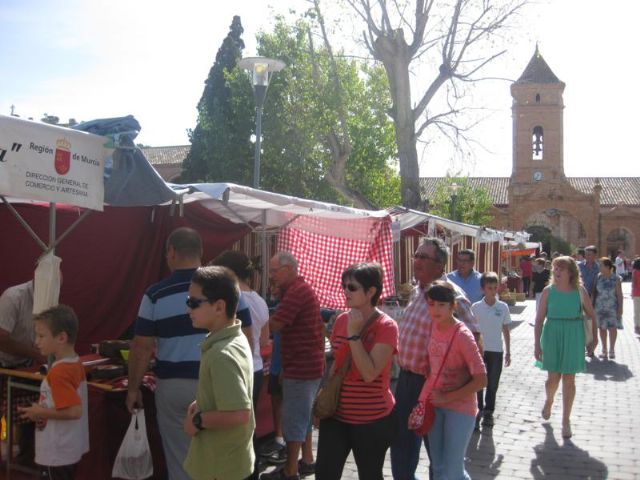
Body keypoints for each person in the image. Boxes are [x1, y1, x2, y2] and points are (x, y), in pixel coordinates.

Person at [391, 237, 480, 480]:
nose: (416, 261)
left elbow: (473, 337)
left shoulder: (452, 297)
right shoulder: (417, 291)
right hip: (407, 381)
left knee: (438, 459)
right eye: (416, 256)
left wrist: (457, 383)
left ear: (440, 265)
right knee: (401, 448)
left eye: (423, 257)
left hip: (434, 385)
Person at [126, 227, 205, 480]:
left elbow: (141, 347)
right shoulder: (225, 287)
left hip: (173, 386)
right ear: (200, 252)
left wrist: (133, 389)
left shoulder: (155, 294)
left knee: (180, 459)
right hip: (217, 382)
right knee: (218, 458)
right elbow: (246, 338)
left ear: (171, 251)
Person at [315, 263, 398, 480]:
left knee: (370, 475)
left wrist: (354, 335)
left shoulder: (386, 326)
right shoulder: (342, 320)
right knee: (324, 474)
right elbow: (336, 365)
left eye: (352, 287)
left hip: (372, 420)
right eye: (344, 286)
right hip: (336, 416)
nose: (346, 291)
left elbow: (369, 373)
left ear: (371, 292)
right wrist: (323, 399)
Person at [182, 266, 255, 480]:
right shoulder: (235, 337)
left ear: (219, 307)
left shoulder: (222, 354)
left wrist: (197, 421)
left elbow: (240, 413)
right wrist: (203, 401)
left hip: (220, 467)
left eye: (193, 302)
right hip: (229, 462)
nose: (188, 309)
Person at [261, 252, 324, 480]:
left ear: (288, 269)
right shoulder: (296, 290)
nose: (271, 276)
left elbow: (276, 324)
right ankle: (305, 461)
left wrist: (259, 324)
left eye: (274, 271)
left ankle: (290, 471)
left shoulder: (297, 292)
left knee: (294, 420)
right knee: (301, 417)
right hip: (302, 364)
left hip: (302, 366)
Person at [210, 250, 270, 480]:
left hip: (234, 370)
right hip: (255, 369)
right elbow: (264, 341)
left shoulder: (228, 299)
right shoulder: (260, 301)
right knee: (248, 429)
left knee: (229, 431)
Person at [18, 304, 89, 480]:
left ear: (61, 337)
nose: (36, 342)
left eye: (41, 336)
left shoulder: (59, 372)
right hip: (66, 447)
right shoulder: (74, 362)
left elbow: (74, 411)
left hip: (56, 452)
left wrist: (40, 412)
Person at [424, 281, 487, 480]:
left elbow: (482, 379)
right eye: (432, 304)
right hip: (435, 405)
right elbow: (432, 367)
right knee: (438, 467)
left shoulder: (462, 335)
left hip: (460, 408)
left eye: (442, 305)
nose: (436, 309)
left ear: (453, 306)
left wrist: (447, 397)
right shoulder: (433, 326)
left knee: (453, 470)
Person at [534, 256, 597, 439]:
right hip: (552, 334)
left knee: (569, 379)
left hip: (574, 335)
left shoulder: (580, 291)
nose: (557, 271)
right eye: (555, 268)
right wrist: (537, 344)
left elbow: (591, 315)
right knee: (552, 379)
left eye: (561, 268)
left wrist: (594, 339)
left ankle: (565, 420)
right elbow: (539, 319)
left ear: (571, 272)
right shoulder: (548, 291)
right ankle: (549, 400)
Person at [472, 272, 511, 430]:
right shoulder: (475, 307)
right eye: (489, 288)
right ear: (483, 289)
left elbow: (506, 329)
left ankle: (489, 412)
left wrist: (508, 351)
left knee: (493, 383)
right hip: (479, 351)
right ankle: (477, 411)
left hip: (496, 350)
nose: (493, 291)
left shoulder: (502, 307)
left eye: (495, 288)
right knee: (478, 382)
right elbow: (471, 330)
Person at [592, 258, 623, 360]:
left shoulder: (616, 278)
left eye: (601, 265)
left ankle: (612, 349)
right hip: (599, 307)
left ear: (607, 267)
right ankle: (604, 349)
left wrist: (620, 309)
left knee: (612, 328)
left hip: (612, 307)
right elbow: (594, 293)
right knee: (602, 328)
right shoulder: (598, 277)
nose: (599, 267)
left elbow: (619, 295)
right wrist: (592, 307)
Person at [632, 258, 640, 335]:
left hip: (637, 293)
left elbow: (634, 283)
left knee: (637, 310)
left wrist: (632, 292)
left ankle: (637, 326)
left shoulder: (635, 272)